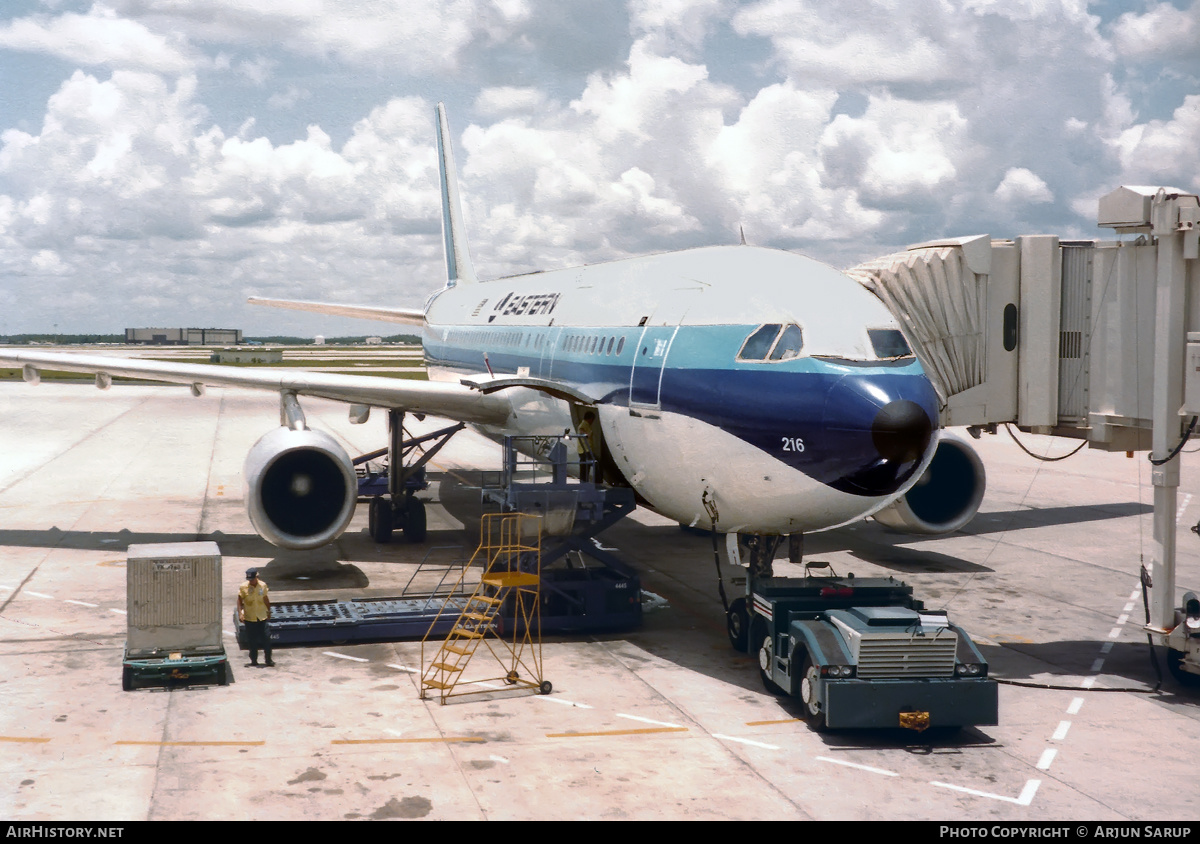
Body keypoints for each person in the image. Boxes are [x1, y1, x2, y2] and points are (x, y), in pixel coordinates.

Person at [238, 567, 273, 667]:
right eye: (249, 580)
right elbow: (239, 600)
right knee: (252, 641)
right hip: (250, 618)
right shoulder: (243, 587)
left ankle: (268, 660)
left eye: (252, 579)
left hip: (262, 617)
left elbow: (265, 598)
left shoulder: (263, 585)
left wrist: (269, 611)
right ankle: (254, 660)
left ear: (257, 577)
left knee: (266, 639)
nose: (251, 582)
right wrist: (240, 613)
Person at [576, 410, 596, 482]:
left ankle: (584, 480)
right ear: (590, 419)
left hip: (586, 450)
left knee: (585, 466)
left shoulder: (586, 425)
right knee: (593, 464)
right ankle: (590, 481)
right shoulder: (583, 425)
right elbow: (581, 430)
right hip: (585, 450)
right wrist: (586, 434)